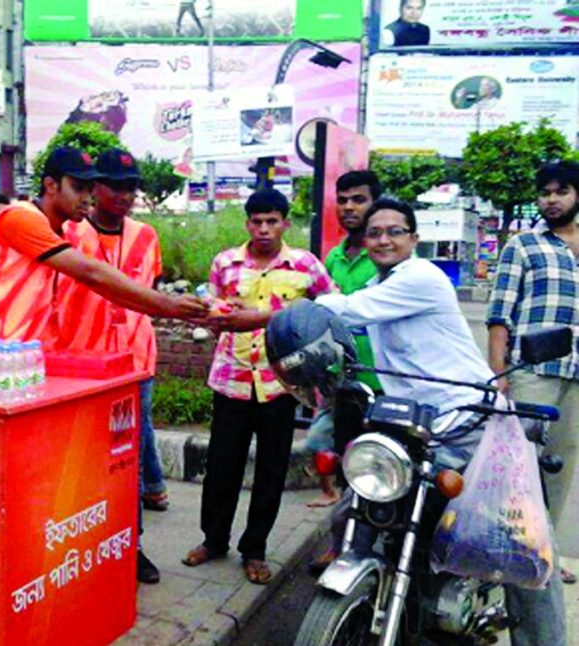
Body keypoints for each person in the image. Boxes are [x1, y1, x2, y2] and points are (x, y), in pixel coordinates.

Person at [0, 147, 208, 639]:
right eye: (80, 186)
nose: (89, 197)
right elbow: (91, 274)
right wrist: (166, 305)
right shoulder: (17, 219)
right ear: (50, 185)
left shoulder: (64, 233)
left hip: (17, 375)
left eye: (93, 187)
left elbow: (99, 287)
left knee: (1, 487)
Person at [211, 197, 567, 646]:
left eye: (395, 231)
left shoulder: (420, 277)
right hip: (416, 427)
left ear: (413, 239)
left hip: (472, 423)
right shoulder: (383, 284)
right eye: (375, 232)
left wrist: (267, 316)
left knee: (521, 546)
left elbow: (349, 310)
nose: (383, 239)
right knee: (355, 508)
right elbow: (343, 331)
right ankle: (381, 595)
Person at [180, 189, 335, 585]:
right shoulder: (225, 263)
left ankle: (255, 550)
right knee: (221, 467)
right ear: (247, 223)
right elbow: (214, 309)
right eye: (257, 222)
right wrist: (216, 316)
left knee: (271, 470)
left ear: (285, 223)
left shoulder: (305, 264)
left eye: (272, 221)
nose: (264, 229)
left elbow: (330, 308)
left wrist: (275, 321)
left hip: (281, 383)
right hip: (231, 378)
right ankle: (213, 540)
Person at [53, 148, 168, 584]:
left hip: (135, 364)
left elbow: (148, 292)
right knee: (84, 460)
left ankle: (131, 544)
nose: (124, 195)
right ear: (93, 188)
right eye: (114, 186)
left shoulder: (147, 236)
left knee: (130, 461)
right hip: (82, 365)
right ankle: (84, 542)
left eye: (130, 187)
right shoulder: (68, 233)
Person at [487, 160, 579, 585]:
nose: (551, 200)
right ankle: (507, 552)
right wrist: (499, 371)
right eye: (545, 192)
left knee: (560, 468)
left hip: (576, 375)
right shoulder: (523, 245)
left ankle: (546, 553)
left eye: (561, 191)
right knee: (520, 467)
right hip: (532, 373)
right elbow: (499, 312)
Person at [306, 171, 383, 511]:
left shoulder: (387, 256)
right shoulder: (333, 258)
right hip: (338, 378)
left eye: (359, 199)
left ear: (375, 203)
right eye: (343, 200)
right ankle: (339, 532)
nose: (349, 207)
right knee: (329, 447)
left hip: (380, 380)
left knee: (372, 465)